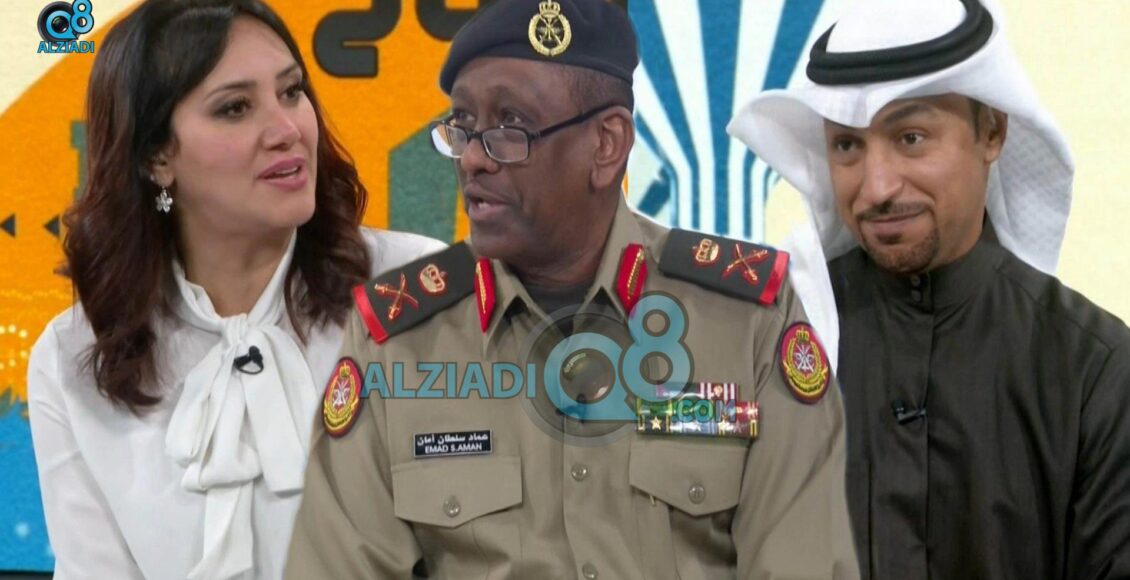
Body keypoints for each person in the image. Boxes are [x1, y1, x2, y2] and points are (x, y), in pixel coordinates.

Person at [285, 1, 859, 578]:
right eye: (463, 127)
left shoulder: (749, 320)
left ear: (607, 145)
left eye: (509, 127)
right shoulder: (397, 340)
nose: (474, 159)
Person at [26, 1, 444, 578]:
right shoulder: (73, 355)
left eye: (292, 92)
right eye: (235, 108)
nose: (287, 130)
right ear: (156, 157)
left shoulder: (419, 290)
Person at [728, 0, 1130, 577]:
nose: (877, 188)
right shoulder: (768, 339)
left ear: (991, 132)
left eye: (911, 137)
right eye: (847, 145)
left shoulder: (1093, 371)